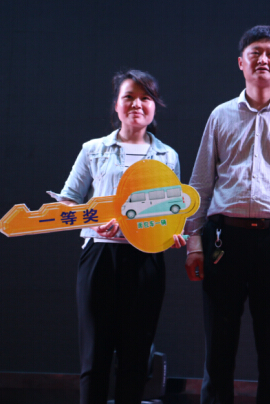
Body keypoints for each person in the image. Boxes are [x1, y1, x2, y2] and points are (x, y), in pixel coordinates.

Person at [184, 26, 270, 404]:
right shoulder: (220, 115)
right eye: (255, 53)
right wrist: (194, 244)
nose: (262, 59)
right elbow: (200, 184)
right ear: (241, 63)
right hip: (222, 240)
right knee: (218, 348)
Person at [48, 69, 185, 404]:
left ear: (154, 106)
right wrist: (94, 221)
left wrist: (174, 233)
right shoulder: (93, 150)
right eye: (129, 97)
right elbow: (67, 201)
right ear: (117, 105)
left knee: (136, 358)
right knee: (95, 357)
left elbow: (171, 212)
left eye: (145, 98)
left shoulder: (168, 156)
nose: (137, 104)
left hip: (146, 262)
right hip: (100, 257)